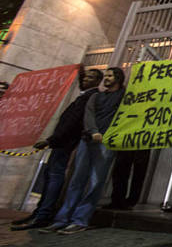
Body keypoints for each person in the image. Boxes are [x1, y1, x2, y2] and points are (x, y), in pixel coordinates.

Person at [10, 68, 103, 230]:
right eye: (86, 76)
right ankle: (39, 212)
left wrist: (50, 140)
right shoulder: (84, 95)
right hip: (60, 142)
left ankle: (43, 214)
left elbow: (72, 123)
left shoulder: (90, 97)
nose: (86, 79)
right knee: (49, 175)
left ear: (97, 81)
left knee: (54, 176)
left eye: (91, 77)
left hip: (64, 142)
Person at [39, 67, 125, 235]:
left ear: (118, 78)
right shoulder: (96, 97)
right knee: (77, 180)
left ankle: (80, 219)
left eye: (109, 76)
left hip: (106, 143)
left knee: (95, 181)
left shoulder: (123, 98)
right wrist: (93, 131)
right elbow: (89, 115)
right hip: (88, 140)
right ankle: (62, 219)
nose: (106, 79)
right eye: (105, 75)